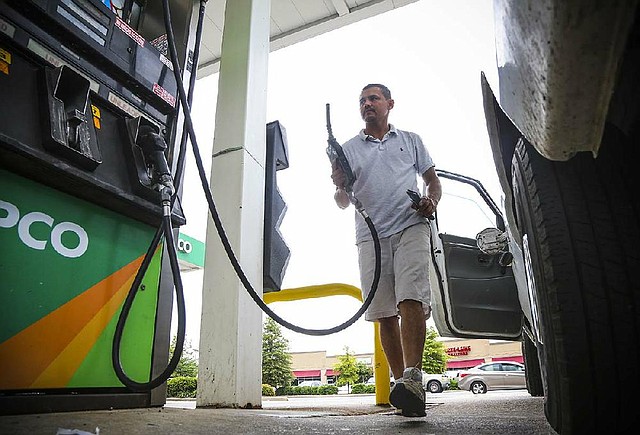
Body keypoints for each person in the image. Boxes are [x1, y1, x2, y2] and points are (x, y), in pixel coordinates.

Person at [331, 84, 441, 417]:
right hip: (370, 236)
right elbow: (340, 202)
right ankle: (402, 388)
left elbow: (433, 181)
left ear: (389, 104)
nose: (367, 104)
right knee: (383, 313)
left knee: (410, 297)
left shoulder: (411, 140)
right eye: (362, 101)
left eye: (373, 98)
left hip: (411, 225)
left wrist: (431, 201)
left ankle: (413, 377)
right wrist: (339, 184)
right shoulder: (347, 149)